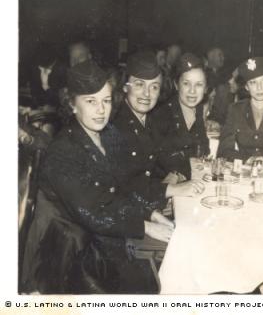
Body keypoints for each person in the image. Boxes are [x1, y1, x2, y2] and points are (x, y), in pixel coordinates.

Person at [22, 60, 178, 294]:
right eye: (91, 101)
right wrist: (144, 225)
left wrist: (151, 213)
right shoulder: (63, 151)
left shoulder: (109, 134)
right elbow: (93, 212)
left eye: (106, 101)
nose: (101, 110)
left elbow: (123, 185)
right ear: (72, 104)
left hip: (96, 240)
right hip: (63, 256)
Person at [113, 50, 205, 206]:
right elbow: (126, 188)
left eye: (154, 87)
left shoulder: (147, 120)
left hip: (151, 205)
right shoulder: (117, 128)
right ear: (124, 87)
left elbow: (178, 156)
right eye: (139, 84)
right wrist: (172, 189)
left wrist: (175, 175)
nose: (147, 94)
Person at [152, 53, 210, 178]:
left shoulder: (198, 110)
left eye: (199, 84)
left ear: (206, 89)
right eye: (186, 83)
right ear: (176, 85)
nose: (192, 91)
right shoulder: (162, 115)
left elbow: (203, 149)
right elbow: (162, 163)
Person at [28, 43, 67, 109]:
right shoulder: (37, 68)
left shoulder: (62, 70)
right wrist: (31, 108)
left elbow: (61, 102)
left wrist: (45, 86)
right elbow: (35, 95)